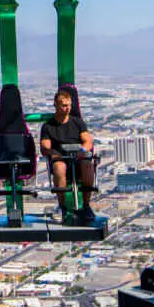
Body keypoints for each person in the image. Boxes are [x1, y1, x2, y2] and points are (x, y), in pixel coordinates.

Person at [39, 88, 97, 221]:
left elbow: (88, 141)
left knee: (87, 164)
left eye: (69, 105)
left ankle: (86, 205)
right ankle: (63, 205)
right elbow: (45, 147)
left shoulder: (77, 123)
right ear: (56, 105)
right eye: (64, 105)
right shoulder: (48, 126)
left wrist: (82, 152)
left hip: (78, 157)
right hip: (61, 158)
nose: (67, 108)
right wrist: (53, 153)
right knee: (59, 167)